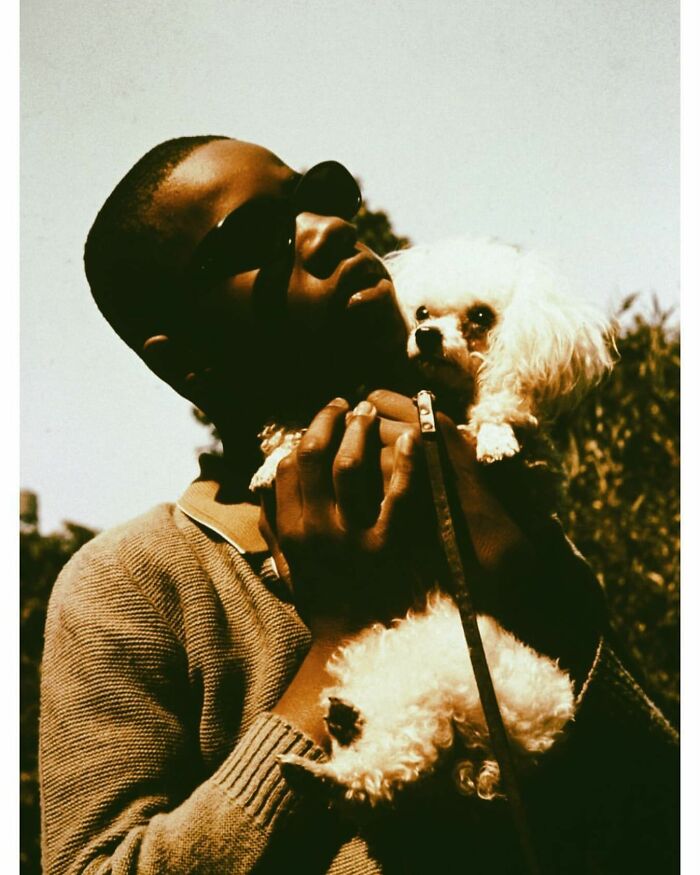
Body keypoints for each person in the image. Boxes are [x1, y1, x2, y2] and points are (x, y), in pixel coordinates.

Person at [40, 135, 678, 874]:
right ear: (183, 357)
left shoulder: (494, 499)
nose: (328, 226)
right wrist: (340, 642)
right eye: (257, 237)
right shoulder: (133, 582)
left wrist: (535, 593)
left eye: (326, 194)